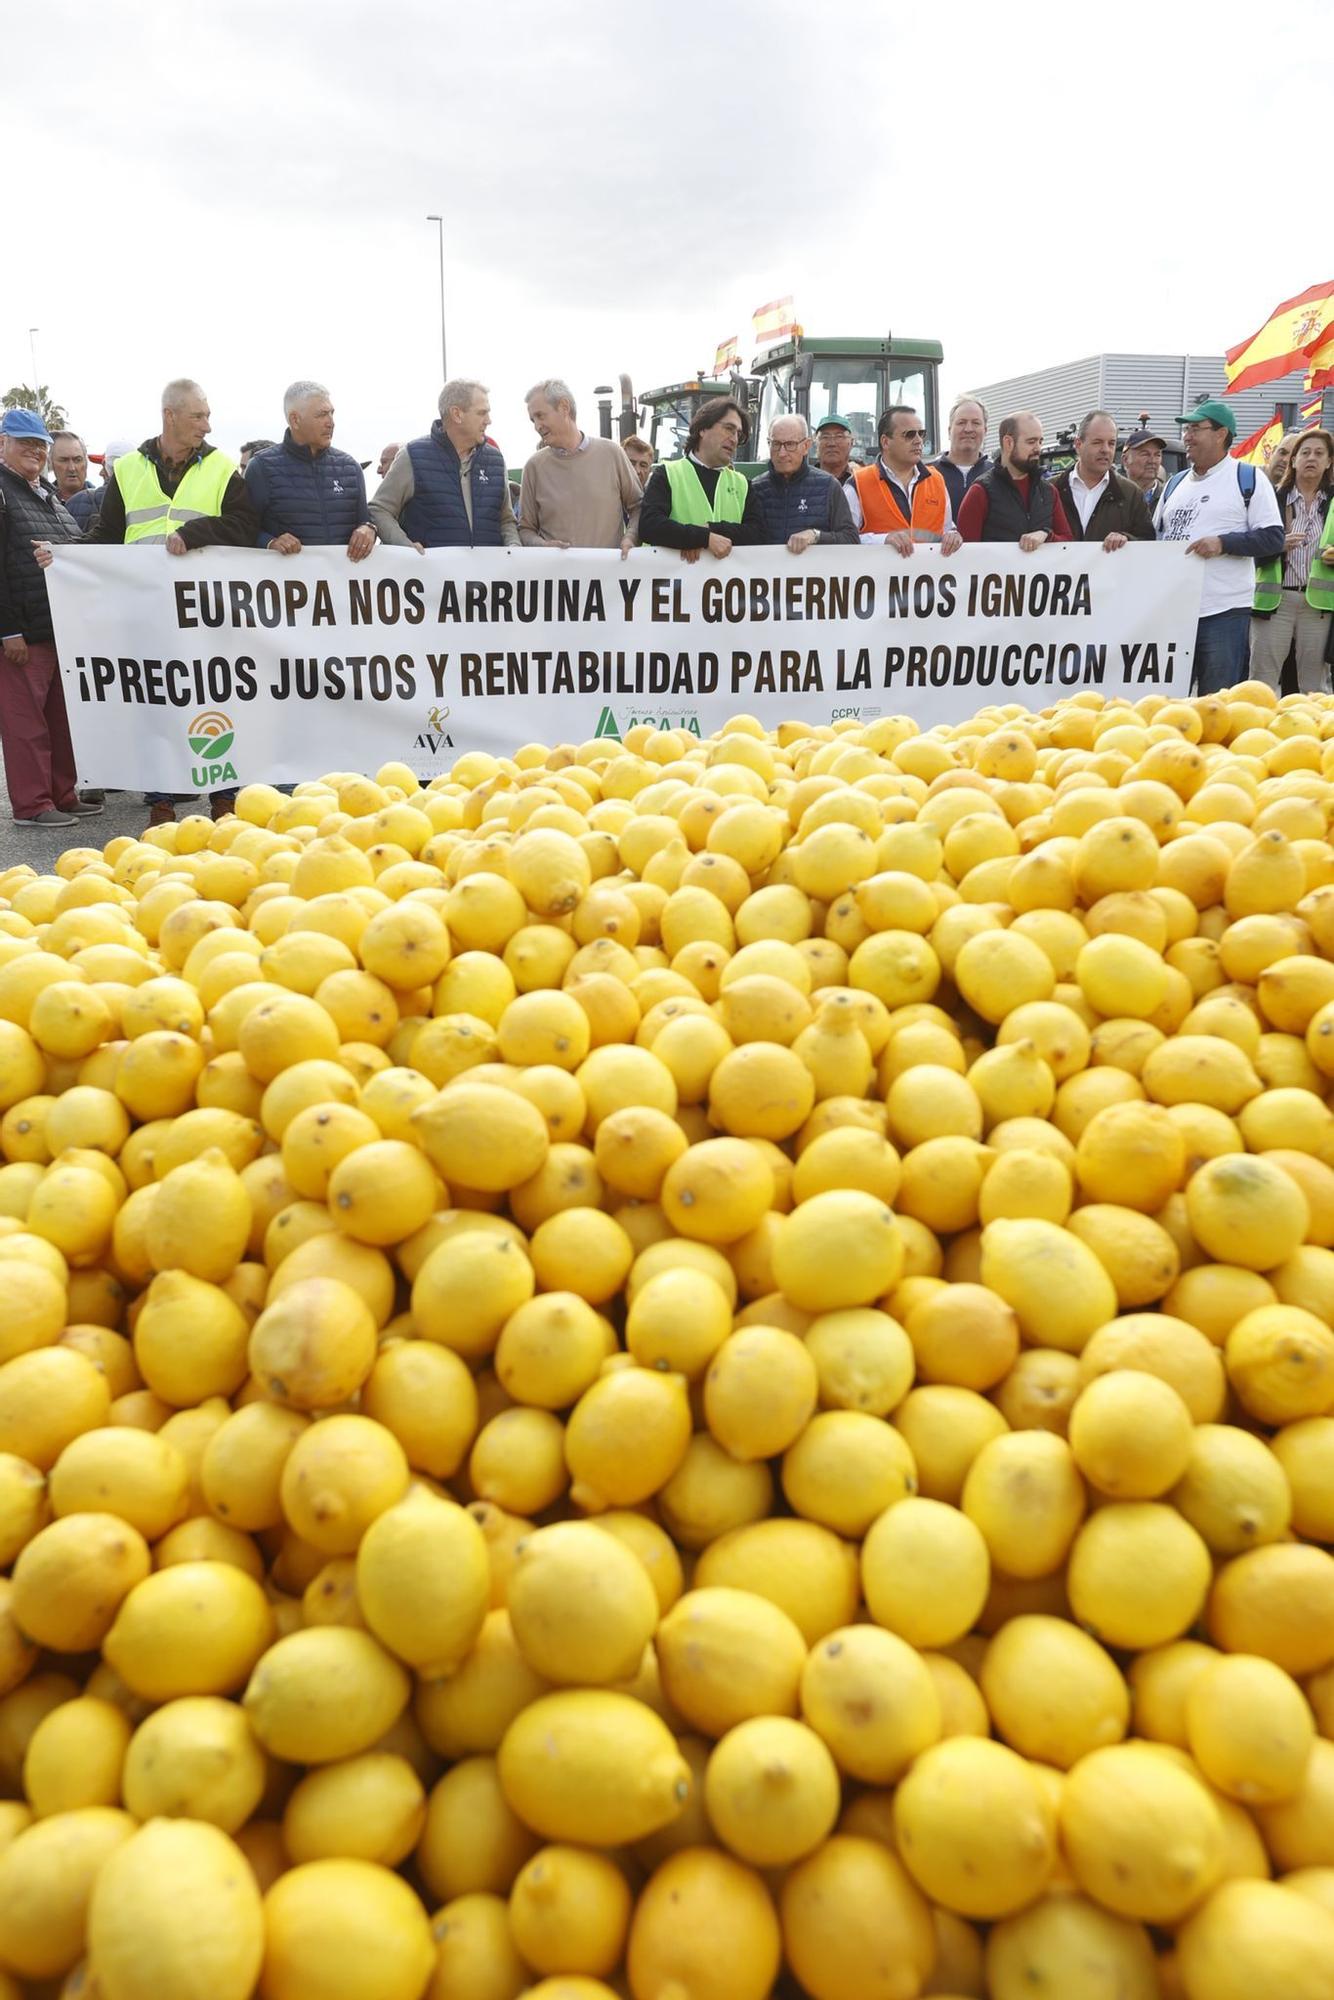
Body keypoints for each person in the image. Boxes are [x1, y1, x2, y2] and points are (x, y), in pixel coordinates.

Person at [91, 379, 257, 826]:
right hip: (146, 610)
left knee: (215, 694)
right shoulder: (127, 470)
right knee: (156, 701)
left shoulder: (222, 467)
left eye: (207, 415)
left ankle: (223, 796)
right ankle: (160, 800)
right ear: (171, 416)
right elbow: (106, 536)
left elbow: (245, 525)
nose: (208, 424)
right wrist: (63, 554)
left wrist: (194, 534)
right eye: (199, 416)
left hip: (206, 611)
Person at [0, 411, 102, 828]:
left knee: (61, 721)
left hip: (58, 627)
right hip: (23, 631)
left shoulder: (45, 494)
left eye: (40, 444)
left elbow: (72, 549)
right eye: (25, 442)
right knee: (27, 726)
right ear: (2, 443)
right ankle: (32, 805)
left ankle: (63, 794)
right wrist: (8, 630)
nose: (35, 450)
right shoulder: (4, 492)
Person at [1155, 399, 1284, 696]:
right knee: (1168, 700)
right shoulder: (1175, 484)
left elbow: (1273, 538)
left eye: (1195, 429)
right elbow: (1156, 537)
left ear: (1220, 434)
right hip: (1175, 610)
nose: (1187, 436)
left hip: (1223, 612)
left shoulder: (1248, 479)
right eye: (1187, 430)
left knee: (1218, 701)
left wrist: (1223, 543)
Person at [369, 380, 519, 549]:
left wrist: (513, 547)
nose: (488, 420)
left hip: (489, 573)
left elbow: (506, 520)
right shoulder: (413, 455)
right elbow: (379, 509)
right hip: (431, 574)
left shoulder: (495, 460)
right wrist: (406, 547)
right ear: (457, 414)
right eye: (481, 413)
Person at [243, 382, 375, 560]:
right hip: (287, 583)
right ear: (295, 420)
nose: (331, 423)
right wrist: (270, 542)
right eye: (321, 415)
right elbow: (244, 528)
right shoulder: (261, 468)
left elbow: (364, 521)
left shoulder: (350, 468)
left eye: (331, 413)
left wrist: (369, 529)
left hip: (343, 584)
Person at [1251, 428, 1334, 693]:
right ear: (1294, 460)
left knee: (1314, 686)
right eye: (1305, 452)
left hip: (1318, 605)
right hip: (1275, 602)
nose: (1312, 458)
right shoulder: (1271, 498)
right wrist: (1277, 544)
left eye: (1319, 453)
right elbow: (1250, 545)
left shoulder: (1332, 502)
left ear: (1329, 462)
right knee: (1261, 680)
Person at [519, 379, 641, 554]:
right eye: (533, 420)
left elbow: (638, 506)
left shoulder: (612, 453)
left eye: (540, 415)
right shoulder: (534, 467)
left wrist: (630, 537)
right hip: (556, 578)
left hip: (609, 578)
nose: (537, 426)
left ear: (564, 407)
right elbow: (525, 530)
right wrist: (543, 546)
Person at [638, 396, 764, 562]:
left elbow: (757, 534)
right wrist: (704, 538)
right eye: (728, 428)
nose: (734, 439)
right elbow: (650, 526)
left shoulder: (742, 484)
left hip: (723, 585)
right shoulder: (667, 474)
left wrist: (711, 531)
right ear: (703, 428)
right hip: (674, 585)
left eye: (738, 434)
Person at [853, 407, 962, 554]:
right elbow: (845, 539)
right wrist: (883, 540)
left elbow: (947, 529)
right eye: (909, 435)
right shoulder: (858, 483)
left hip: (928, 573)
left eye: (921, 434)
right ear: (885, 442)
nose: (918, 441)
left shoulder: (937, 480)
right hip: (878, 575)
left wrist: (953, 537)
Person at [957, 412, 1074, 547]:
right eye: (1031, 442)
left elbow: (1068, 544)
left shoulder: (1049, 492)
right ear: (1008, 443)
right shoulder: (980, 492)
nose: (1038, 448)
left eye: (1040, 441)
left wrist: (1046, 535)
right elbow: (966, 556)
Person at [749, 416, 859, 552]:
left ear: (806, 446)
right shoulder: (754, 489)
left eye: (790, 444)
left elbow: (851, 539)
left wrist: (816, 536)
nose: (782, 453)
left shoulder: (828, 486)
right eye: (776, 444)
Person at [1053, 410, 1156, 550]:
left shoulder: (1131, 494)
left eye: (1111, 443)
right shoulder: (1050, 490)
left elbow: (1149, 544)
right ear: (1078, 445)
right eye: (1097, 442)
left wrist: (1126, 539)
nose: (1105, 450)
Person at [932, 397, 992, 518]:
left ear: (985, 431)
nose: (968, 429)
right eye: (961, 422)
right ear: (949, 431)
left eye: (976, 423)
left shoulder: (999, 475)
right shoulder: (926, 475)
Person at [814, 413, 862, 529]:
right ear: (816, 443)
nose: (832, 443)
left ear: (851, 442)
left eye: (839, 436)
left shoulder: (861, 482)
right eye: (825, 437)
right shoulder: (805, 481)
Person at [1120, 426, 1168, 513]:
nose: (1152, 461)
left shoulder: (1169, 497)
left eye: (1157, 455)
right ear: (1125, 460)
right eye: (1145, 454)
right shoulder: (1112, 497)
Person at [48, 432, 92, 509]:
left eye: (78, 460)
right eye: (63, 460)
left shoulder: (102, 502)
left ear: (86, 462)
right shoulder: (41, 503)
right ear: (51, 463)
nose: (72, 468)